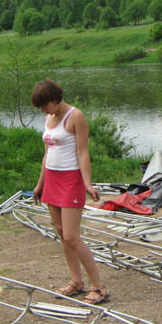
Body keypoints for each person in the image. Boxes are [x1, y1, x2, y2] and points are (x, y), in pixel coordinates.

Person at [31, 79, 109, 305]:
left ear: (55, 99)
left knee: (71, 236)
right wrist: (40, 184)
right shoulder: (49, 118)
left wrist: (88, 184)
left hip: (71, 179)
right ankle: (76, 281)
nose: (43, 110)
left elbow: (83, 152)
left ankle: (99, 287)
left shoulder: (75, 116)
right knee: (60, 230)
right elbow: (47, 153)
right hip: (52, 178)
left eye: (44, 105)